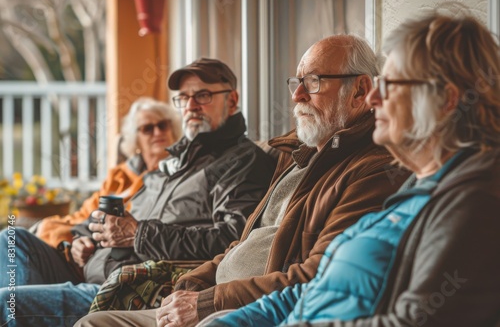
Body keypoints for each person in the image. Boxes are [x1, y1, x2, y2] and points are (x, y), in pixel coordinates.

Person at [75, 34, 411, 327]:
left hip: (246, 311)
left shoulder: (372, 170)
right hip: (209, 297)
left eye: (314, 82)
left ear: (360, 91)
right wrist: (190, 286)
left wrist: (206, 302)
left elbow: (318, 276)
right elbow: (242, 243)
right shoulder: (297, 156)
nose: (297, 97)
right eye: (297, 84)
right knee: (95, 322)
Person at [198, 8, 500, 327]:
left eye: (393, 83)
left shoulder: (473, 202)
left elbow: (415, 321)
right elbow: (313, 289)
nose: (374, 97)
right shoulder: (415, 191)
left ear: (446, 100)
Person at [0, 58, 276, 326]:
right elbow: (121, 217)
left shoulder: (240, 160)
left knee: (6, 302)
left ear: (232, 100)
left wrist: (138, 234)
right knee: (13, 239)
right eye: (183, 97)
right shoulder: (175, 162)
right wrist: (81, 242)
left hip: (126, 288)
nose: (191, 105)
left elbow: (231, 238)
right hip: (91, 268)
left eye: (203, 95)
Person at [34, 97, 182, 249]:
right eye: (147, 128)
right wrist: (54, 228)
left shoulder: (179, 172)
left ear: (173, 129)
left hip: (116, 245)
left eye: (163, 125)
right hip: (87, 234)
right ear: (136, 139)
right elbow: (87, 211)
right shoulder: (119, 174)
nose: (157, 132)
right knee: (30, 232)